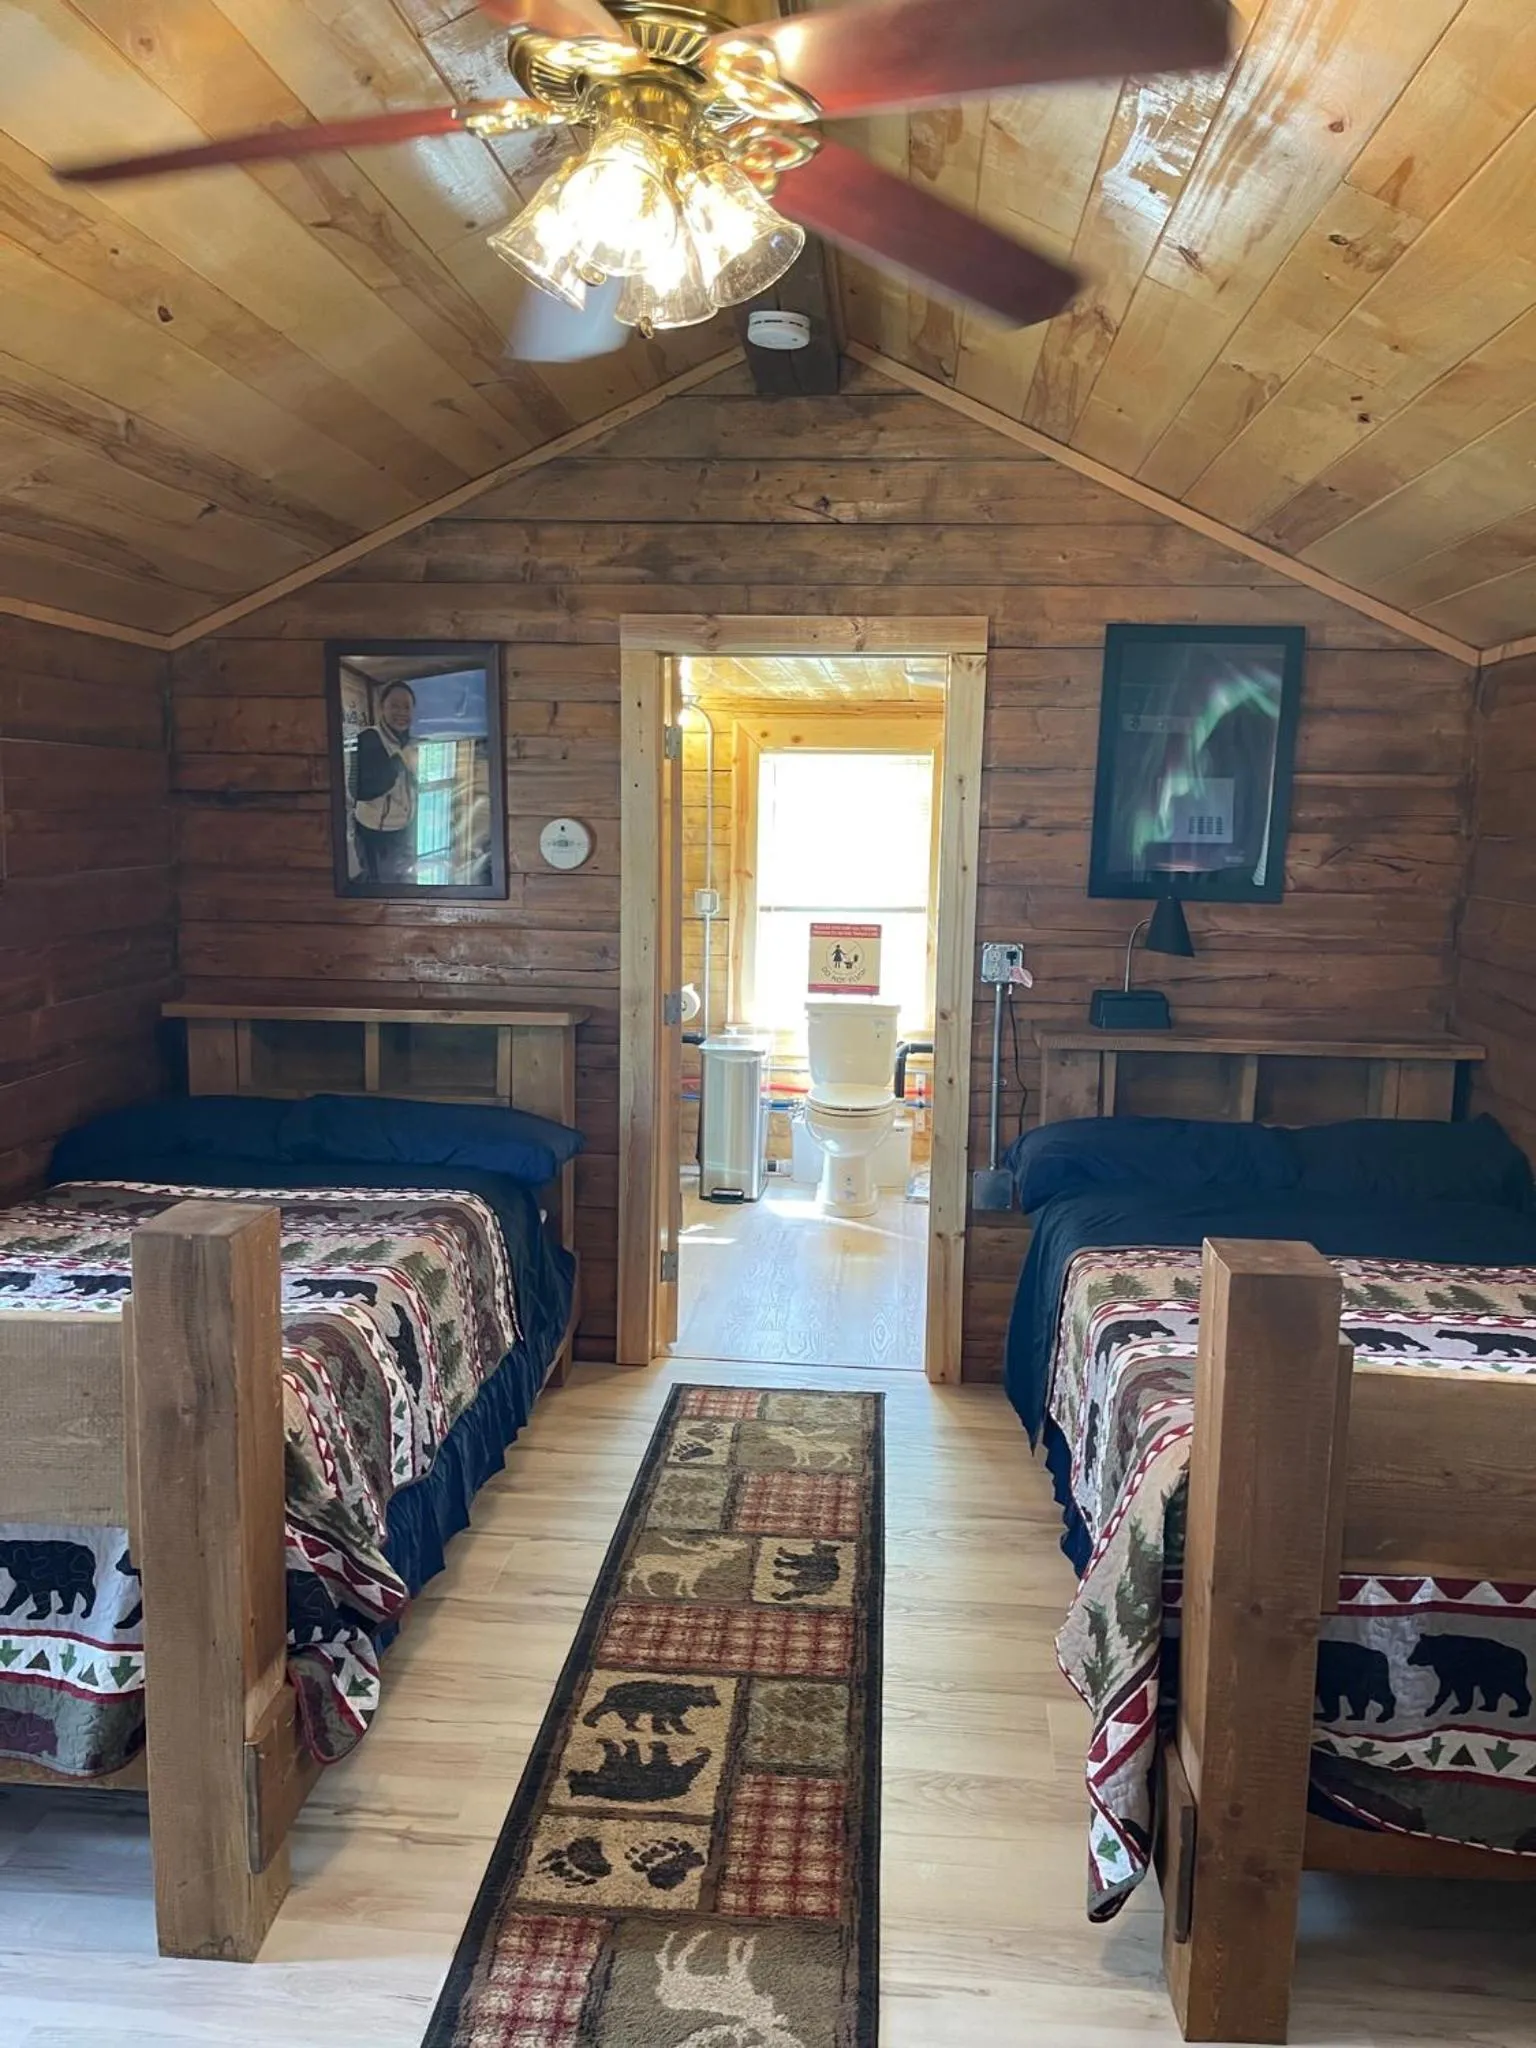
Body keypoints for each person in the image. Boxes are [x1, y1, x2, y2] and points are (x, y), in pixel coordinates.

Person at [350, 682, 417, 883]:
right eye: (395, 706)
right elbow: (360, 790)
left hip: (402, 830)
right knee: (380, 889)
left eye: (407, 707)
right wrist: (399, 760)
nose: (402, 712)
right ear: (382, 707)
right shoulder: (367, 738)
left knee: (399, 882)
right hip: (375, 835)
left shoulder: (406, 741)